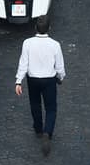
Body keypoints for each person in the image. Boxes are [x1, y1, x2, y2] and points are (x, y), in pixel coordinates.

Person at [14, 14, 65, 154]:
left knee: (35, 103)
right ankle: (47, 132)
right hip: (49, 80)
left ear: (35, 27)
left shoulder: (27, 43)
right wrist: (61, 77)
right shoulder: (55, 45)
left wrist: (19, 81)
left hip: (33, 79)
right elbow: (59, 67)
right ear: (49, 28)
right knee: (51, 108)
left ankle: (38, 129)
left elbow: (23, 63)